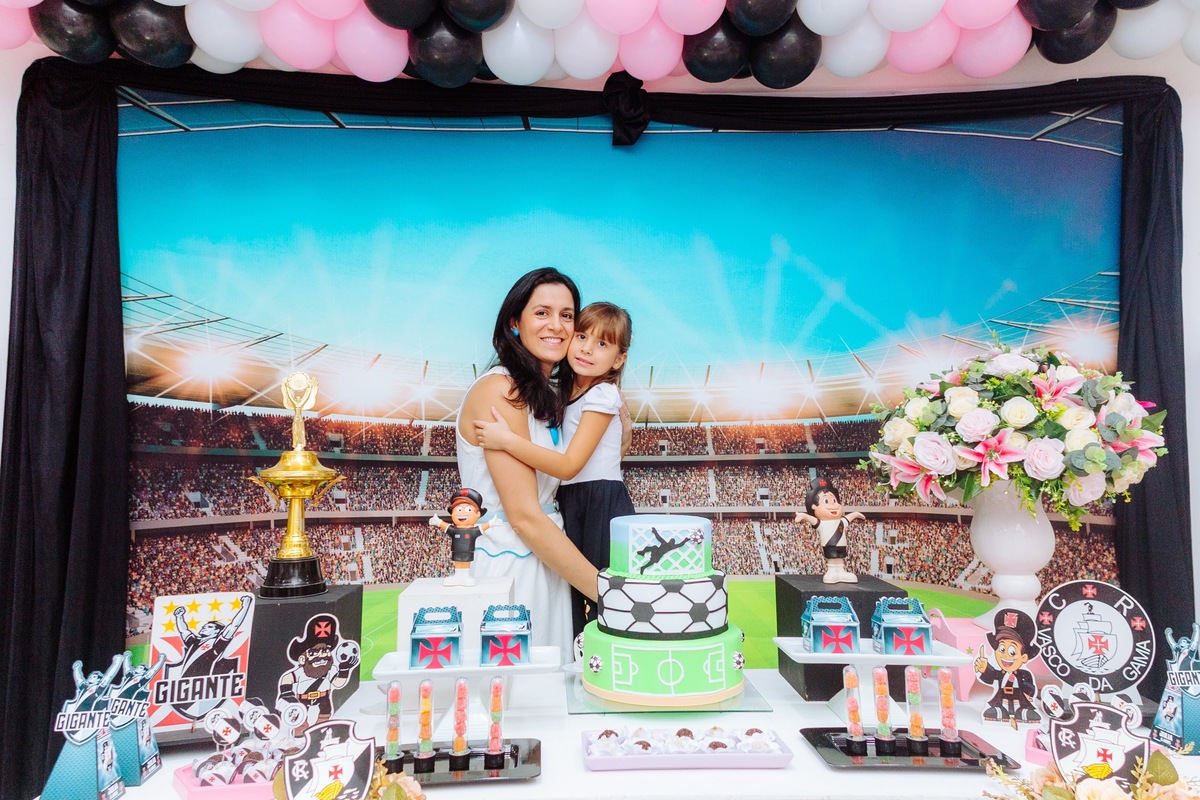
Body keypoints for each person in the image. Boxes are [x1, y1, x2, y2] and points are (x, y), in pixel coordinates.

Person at [456, 268, 600, 654]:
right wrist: (611, 595)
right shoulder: (499, 389)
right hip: (510, 568)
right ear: (514, 323)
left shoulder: (546, 398)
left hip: (548, 562)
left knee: (552, 696)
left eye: (567, 315)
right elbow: (523, 515)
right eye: (542, 313)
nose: (557, 325)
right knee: (514, 698)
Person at [475, 302, 635, 635]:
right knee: (580, 606)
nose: (587, 349)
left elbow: (567, 465)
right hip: (573, 503)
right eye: (581, 336)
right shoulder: (563, 392)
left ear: (619, 359)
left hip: (598, 503)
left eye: (602, 344)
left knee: (607, 605)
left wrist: (507, 440)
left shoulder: (603, 394)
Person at [795, 475, 864, 583]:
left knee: (840, 558)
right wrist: (803, 516)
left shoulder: (841, 521)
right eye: (826, 501)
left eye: (834, 500)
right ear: (814, 507)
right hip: (829, 545)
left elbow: (848, 518)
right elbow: (813, 520)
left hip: (841, 545)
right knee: (832, 560)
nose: (832, 504)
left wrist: (856, 514)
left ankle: (841, 572)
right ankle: (832, 571)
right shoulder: (822, 524)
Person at [428, 488, 493, 586]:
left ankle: (465, 576)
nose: (462, 513)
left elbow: (481, 528)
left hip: (468, 550)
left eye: (468, 510)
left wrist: (491, 523)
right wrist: (438, 522)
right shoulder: (454, 530)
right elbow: (446, 526)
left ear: (478, 514)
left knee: (466, 562)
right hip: (456, 550)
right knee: (458, 562)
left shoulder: (472, 531)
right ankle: (458, 576)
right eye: (458, 510)